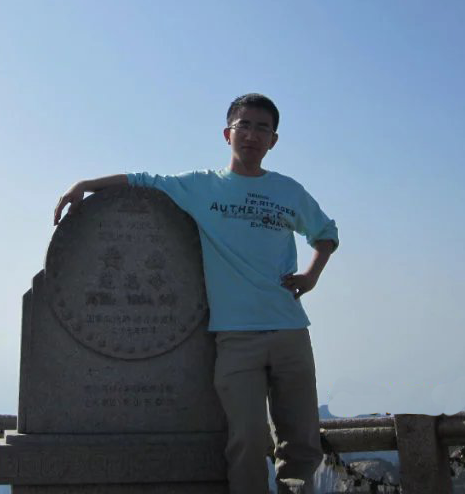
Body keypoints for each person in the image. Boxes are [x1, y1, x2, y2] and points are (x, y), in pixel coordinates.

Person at [53, 93, 338, 494]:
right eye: (244, 125)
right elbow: (144, 180)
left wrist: (311, 276)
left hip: (290, 330)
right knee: (247, 439)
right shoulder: (202, 186)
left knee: (302, 441)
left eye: (263, 128)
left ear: (273, 140)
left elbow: (325, 233)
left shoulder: (288, 191)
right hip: (235, 337)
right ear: (227, 134)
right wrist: (85, 184)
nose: (252, 135)